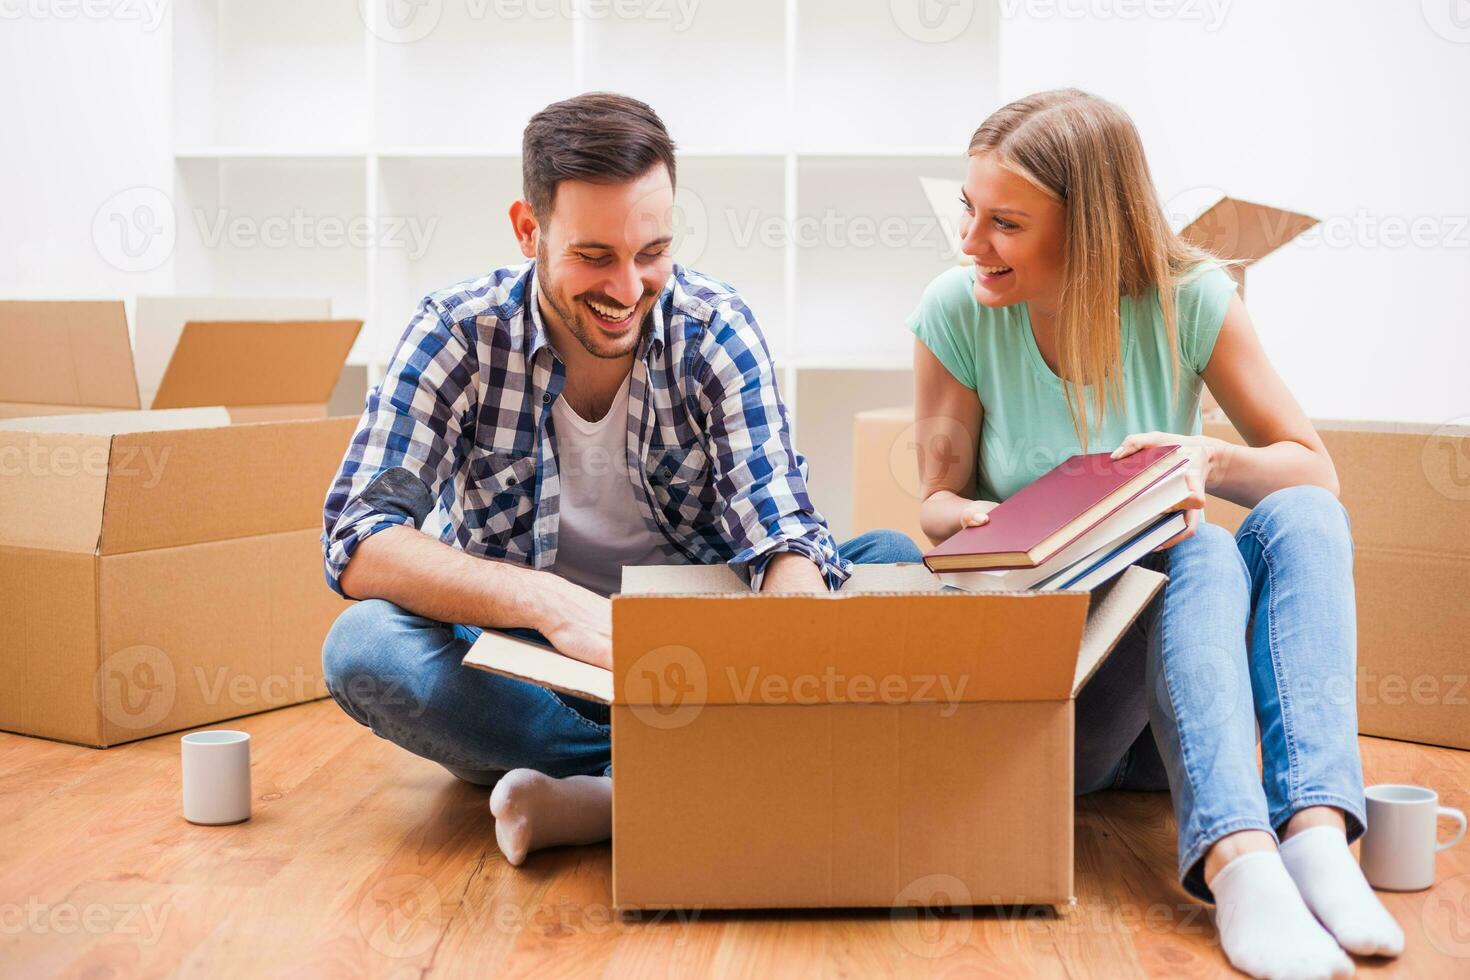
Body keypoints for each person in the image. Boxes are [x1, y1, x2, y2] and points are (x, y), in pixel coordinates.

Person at [320, 92, 920, 868]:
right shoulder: (457, 332)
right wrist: (553, 606)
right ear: (528, 229)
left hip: (708, 664)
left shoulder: (713, 328)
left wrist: (787, 650)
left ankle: (605, 792)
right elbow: (358, 539)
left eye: (652, 252)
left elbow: (782, 528)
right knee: (365, 648)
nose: (629, 289)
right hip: (531, 671)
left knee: (893, 561)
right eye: (595, 256)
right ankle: (694, 770)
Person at [908, 89, 1400, 980]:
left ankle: (1315, 834)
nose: (972, 243)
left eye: (1005, 223)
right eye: (968, 212)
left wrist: (1203, 459)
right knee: (1198, 545)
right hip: (1068, 695)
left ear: (1090, 229)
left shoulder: (1192, 300)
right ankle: (1237, 859)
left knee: (1294, 515)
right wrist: (991, 522)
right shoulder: (959, 311)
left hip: (1190, 696)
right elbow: (933, 507)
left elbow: (1312, 469)